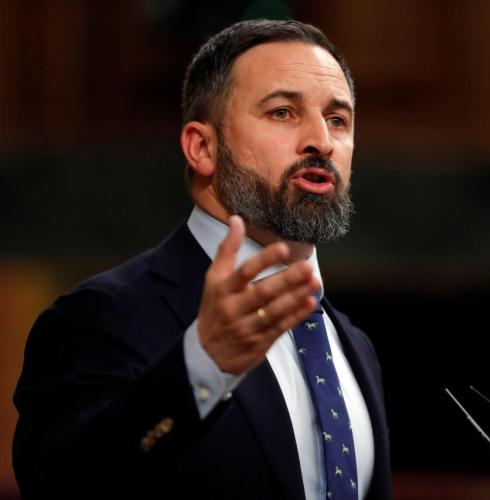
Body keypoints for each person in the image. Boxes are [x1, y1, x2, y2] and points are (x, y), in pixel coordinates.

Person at [13, 19, 391, 500]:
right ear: (202, 147)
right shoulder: (101, 316)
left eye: (338, 119)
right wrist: (203, 366)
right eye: (282, 112)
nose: (322, 140)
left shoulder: (354, 345)